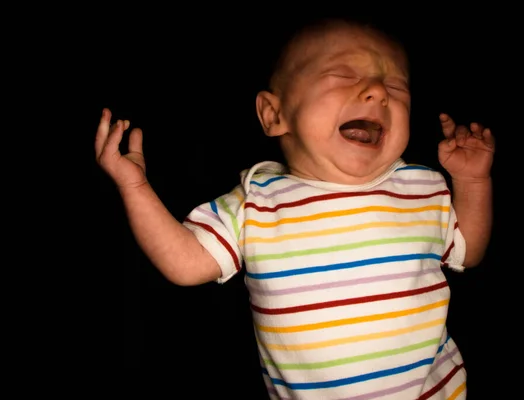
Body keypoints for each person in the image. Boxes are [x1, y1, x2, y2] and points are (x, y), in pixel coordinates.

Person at [95, 17, 494, 400]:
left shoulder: (422, 186)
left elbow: (467, 252)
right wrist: (135, 187)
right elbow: (185, 264)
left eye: (396, 85)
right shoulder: (255, 202)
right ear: (274, 115)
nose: (378, 92)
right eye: (344, 75)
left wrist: (472, 182)